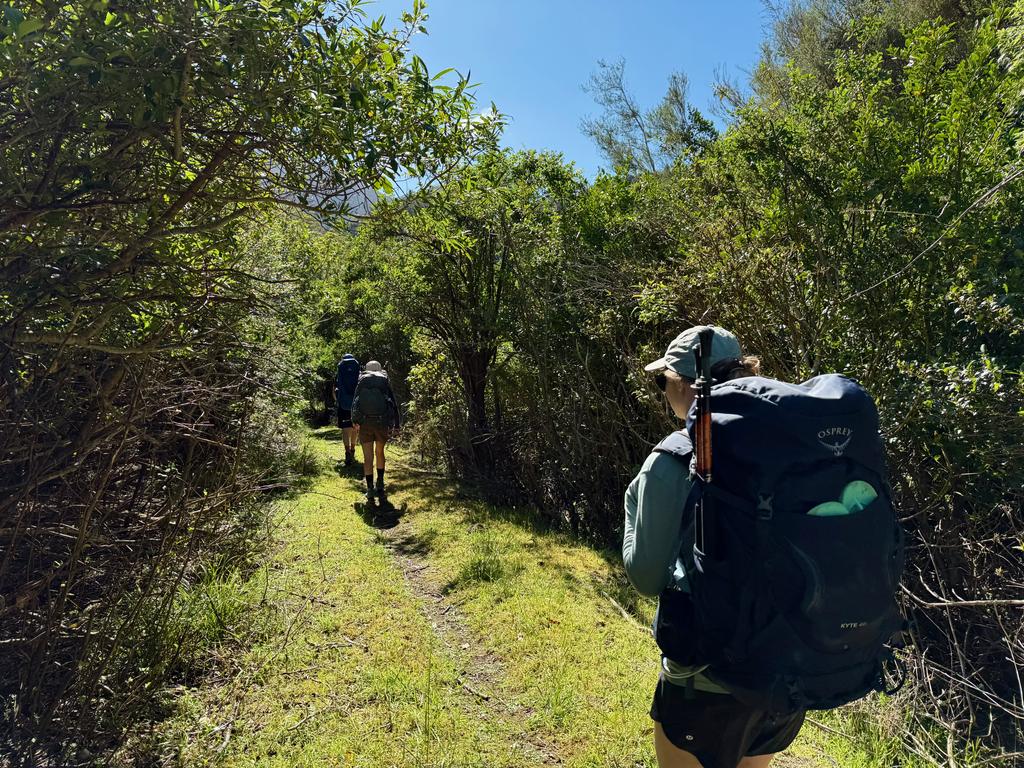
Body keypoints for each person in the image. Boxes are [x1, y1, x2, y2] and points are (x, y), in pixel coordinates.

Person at [624, 326, 804, 768]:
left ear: (683, 383)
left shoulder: (671, 460)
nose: (662, 390)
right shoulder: (785, 451)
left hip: (703, 681)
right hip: (782, 674)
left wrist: (634, 508)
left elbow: (645, 576)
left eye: (662, 379)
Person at [351, 360, 400, 502]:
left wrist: (354, 421)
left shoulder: (362, 380)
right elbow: (393, 403)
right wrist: (396, 424)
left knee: (368, 457)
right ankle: (380, 483)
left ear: (366, 369)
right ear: (380, 369)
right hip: (382, 422)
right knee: (379, 452)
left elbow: (355, 401)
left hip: (365, 423)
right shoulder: (384, 381)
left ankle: (370, 489)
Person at [335, 353, 362, 466]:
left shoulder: (340, 369)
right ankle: (353, 450)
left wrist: (338, 401)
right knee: (355, 428)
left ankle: (347, 452)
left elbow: (335, 388)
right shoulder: (357, 368)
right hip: (356, 404)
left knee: (345, 430)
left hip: (343, 404)